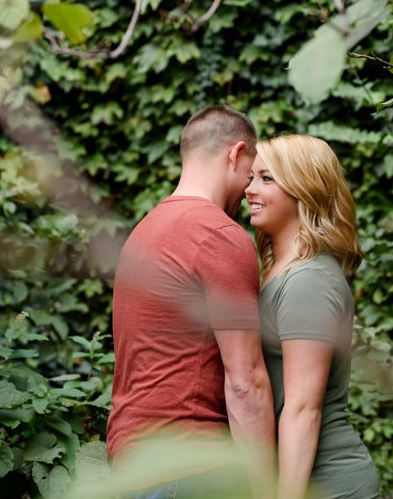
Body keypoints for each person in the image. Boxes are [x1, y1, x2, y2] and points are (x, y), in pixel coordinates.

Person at [107, 105, 275, 498]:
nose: (249, 190)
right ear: (234, 154)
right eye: (250, 175)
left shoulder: (145, 231)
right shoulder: (217, 234)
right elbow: (245, 382)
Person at [244, 134, 380, 499]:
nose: (250, 190)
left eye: (266, 178)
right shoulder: (284, 271)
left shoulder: (309, 281)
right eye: (251, 177)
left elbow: (304, 408)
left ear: (303, 189)